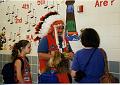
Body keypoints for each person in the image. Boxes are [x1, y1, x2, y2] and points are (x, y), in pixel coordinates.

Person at [36, 12, 74, 83]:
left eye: (62, 28)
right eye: (58, 28)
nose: (60, 30)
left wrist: (71, 55)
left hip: (64, 72)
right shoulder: (45, 39)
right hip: (49, 74)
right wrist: (57, 57)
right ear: (53, 28)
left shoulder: (65, 40)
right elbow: (40, 55)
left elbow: (71, 53)